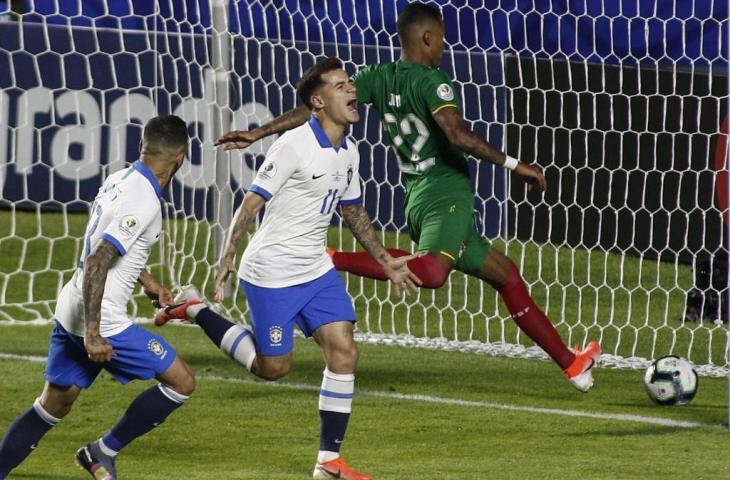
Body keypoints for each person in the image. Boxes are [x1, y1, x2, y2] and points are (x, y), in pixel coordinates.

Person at [215, 2, 600, 392]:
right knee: (432, 272)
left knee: (507, 276)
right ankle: (331, 258)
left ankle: (572, 365)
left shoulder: (378, 77)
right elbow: (456, 135)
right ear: (428, 37)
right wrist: (516, 164)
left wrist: (260, 132)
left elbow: (317, 111)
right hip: (446, 193)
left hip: (415, 198)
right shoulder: (436, 83)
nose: (444, 48)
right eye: (443, 40)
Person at [155, 58, 419, 480]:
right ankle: (194, 308)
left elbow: (352, 210)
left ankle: (328, 462)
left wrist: (385, 261)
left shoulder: (349, 150)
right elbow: (251, 203)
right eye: (339, 85)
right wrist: (225, 260)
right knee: (273, 368)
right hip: (272, 272)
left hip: (314, 269)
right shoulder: (292, 145)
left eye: (350, 82)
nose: (351, 90)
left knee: (344, 351)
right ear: (318, 101)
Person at [0, 115, 195, 480]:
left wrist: (148, 282)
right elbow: (98, 259)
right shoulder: (146, 199)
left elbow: (108, 247)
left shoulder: (118, 180)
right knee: (181, 381)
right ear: (181, 158)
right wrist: (93, 332)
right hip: (101, 319)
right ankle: (100, 453)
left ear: (142, 147)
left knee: (53, 405)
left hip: (70, 303)